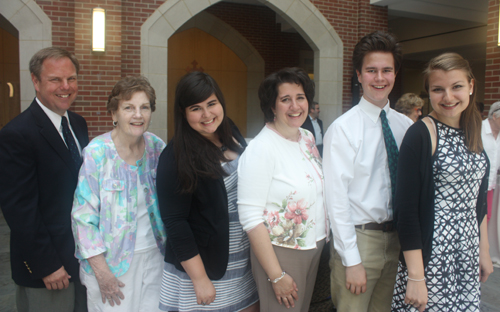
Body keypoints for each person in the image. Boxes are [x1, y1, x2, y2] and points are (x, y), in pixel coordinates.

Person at [392, 52, 494, 311]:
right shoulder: (421, 134)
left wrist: (484, 251)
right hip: (433, 256)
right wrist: (416, 276)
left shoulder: (473, 129)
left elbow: (477, 200)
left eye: (457, 86)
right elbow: (406, 212)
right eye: (438, 89)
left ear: (471, 86)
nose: (448, 97)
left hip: (466, 251)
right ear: (429, 93)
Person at [323, 31, 413, 312]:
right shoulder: (343, 128)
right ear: (359, 75)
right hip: (360, 241)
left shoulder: (405, 127)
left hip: (396, 240)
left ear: (395, 74)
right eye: (371, 71)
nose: (379, 78)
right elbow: (336, 199)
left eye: (387, 70)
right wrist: (351, 260)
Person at [156, 71, 259, 312]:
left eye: (212, 104)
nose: (207, 114)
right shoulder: (174, 157)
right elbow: (175, 222)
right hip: (206, 264)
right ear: (183, 112)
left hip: (242, 258)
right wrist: (200, 279)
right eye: (196, 108)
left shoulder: (231, 133)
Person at [0, 47, 89, 312]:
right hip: (48, 269)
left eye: (71, 78)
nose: (66, 86)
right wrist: (47, 265)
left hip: (83, 259)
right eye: (55, 80)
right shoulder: (16, 134)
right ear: (35, 81)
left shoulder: (78, 123)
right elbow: (20, 210)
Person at [72, 76, 166, 311]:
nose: (138, 115)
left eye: (144, 107)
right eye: (129, 108)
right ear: (114, 114)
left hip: (157, 257)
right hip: (112, 264)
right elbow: (83, 218)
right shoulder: (97, 152)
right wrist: (101, 272)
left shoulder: (157, 148)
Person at [238, 67, 327, 312]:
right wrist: (277, 276)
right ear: (272, 106)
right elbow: (250, 218)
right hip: (281, 252)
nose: (295, 106)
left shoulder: (307, 138)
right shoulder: (261, 148)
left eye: (300, 98)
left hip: (314, 246)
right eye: (285, 100)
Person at [482, 101, 500, 223]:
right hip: (474, 184)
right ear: (494, 116)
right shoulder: (478, 129)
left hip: (490, 185)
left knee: (487, 216)